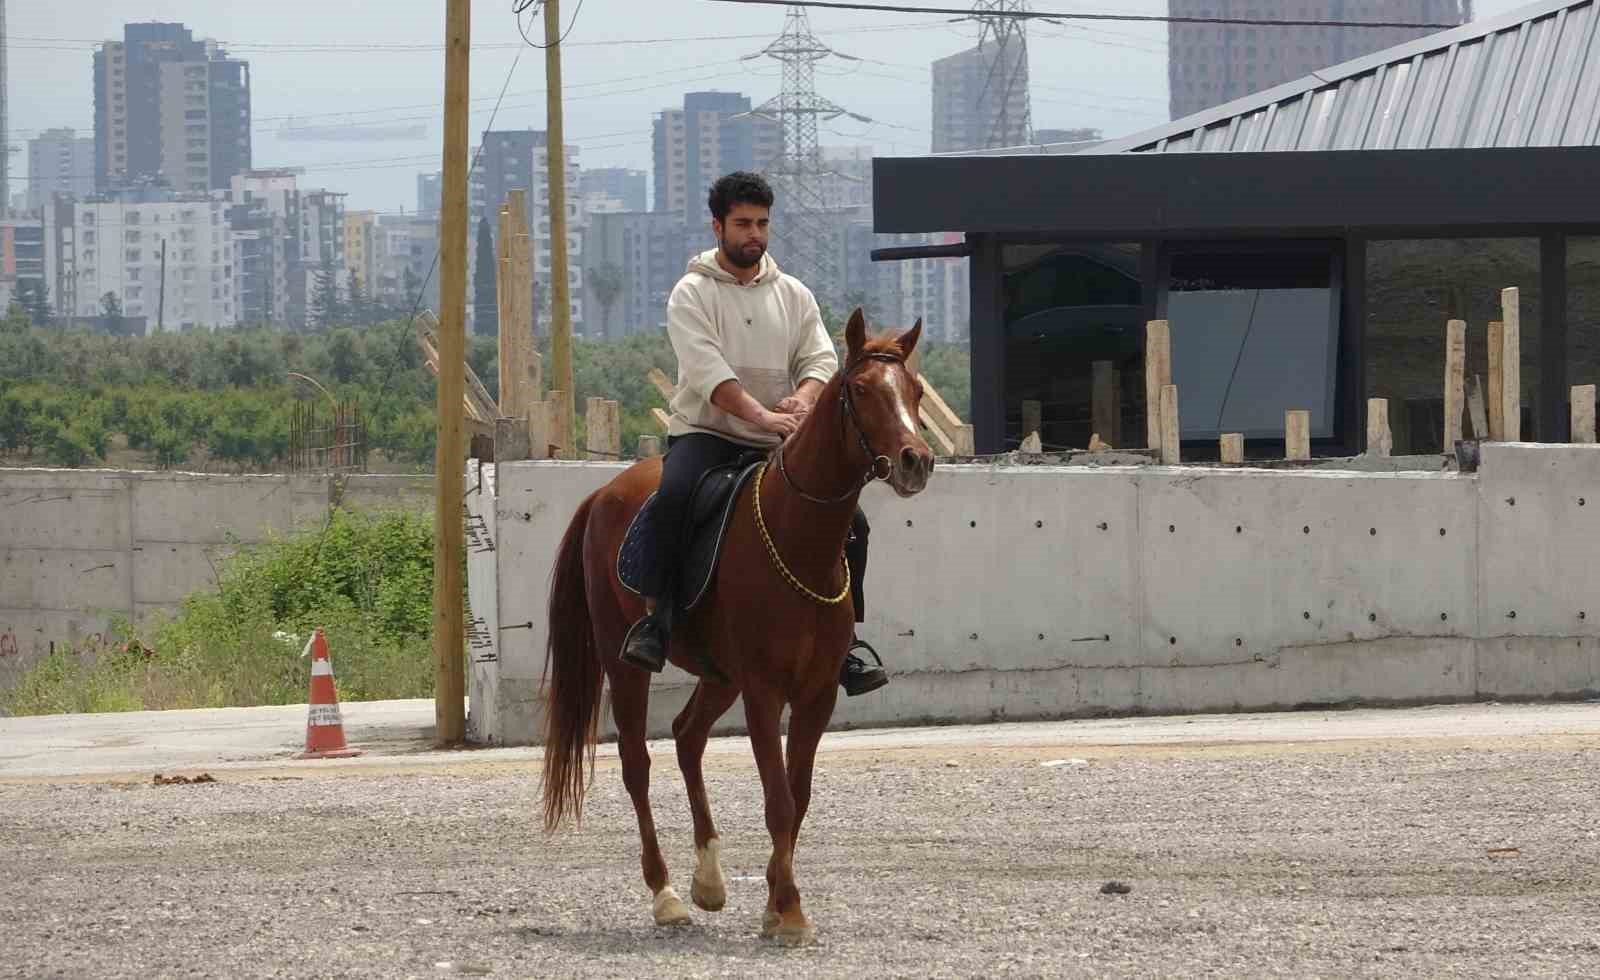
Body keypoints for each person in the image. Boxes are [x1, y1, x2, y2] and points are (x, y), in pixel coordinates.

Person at [619, 170, 888, 697]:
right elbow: (708, 374)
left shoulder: (793, 294)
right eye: (743, 223)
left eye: (762, 223)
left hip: (777, 442)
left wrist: (804, 398)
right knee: (673, 499)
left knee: (851, 521)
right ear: (717, 226)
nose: (754, 234)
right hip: (708, 433)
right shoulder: (691, 293)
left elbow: (819, 359)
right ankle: (658, 620)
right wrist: (761, 417)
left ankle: (847, 642)